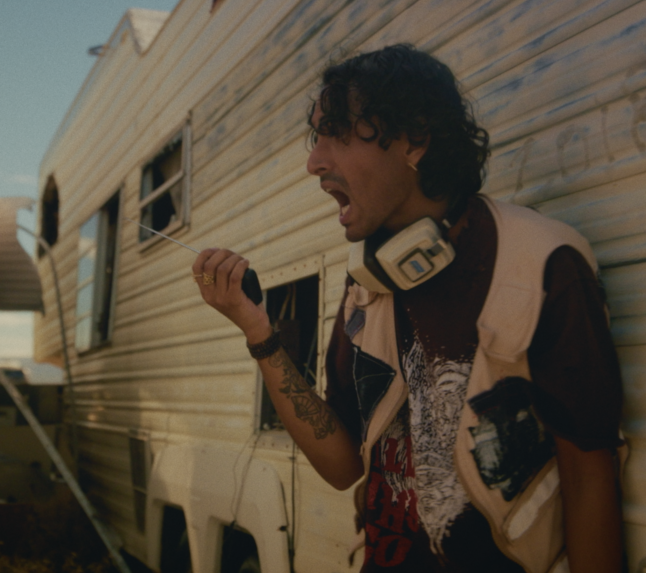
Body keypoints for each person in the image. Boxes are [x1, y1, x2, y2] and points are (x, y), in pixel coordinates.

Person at [193, 44, 624, 573]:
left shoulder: (543, 266)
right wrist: (258, 331)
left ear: (415, 139)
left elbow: (589, 478)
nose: (314, 161)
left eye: (336, 131)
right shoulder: (367, 287)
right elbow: (342, 463)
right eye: (316, 137)